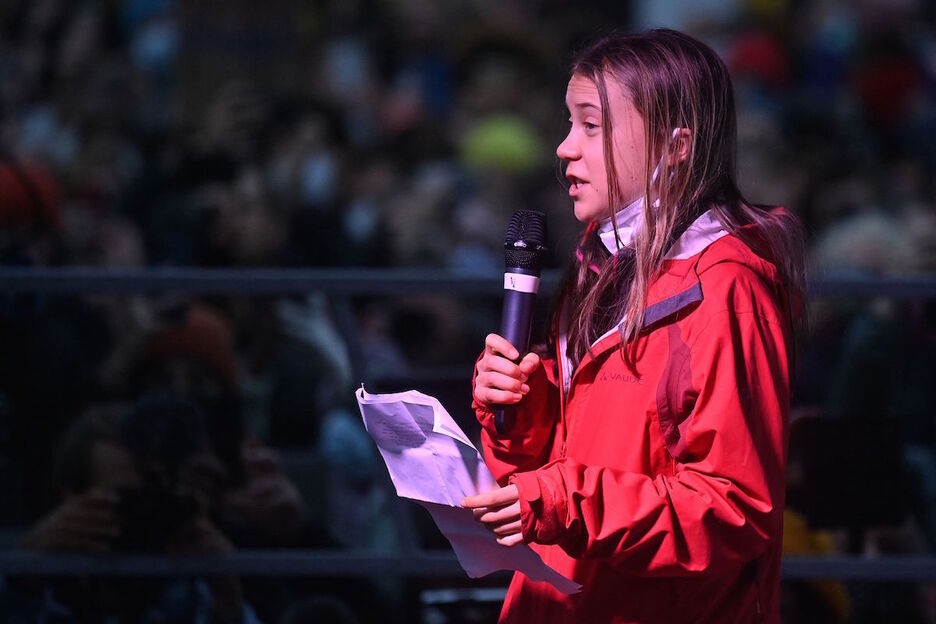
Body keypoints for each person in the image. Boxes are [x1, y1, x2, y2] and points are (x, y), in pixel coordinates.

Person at [462, 29, 806, 623]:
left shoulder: (727, 288)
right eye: (569, 125)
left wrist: (562, 499)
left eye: (591, 127)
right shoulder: (603, 259)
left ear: (676, 146)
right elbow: (578, 460)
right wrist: (525, 407)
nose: (565, 148)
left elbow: (733, 511)